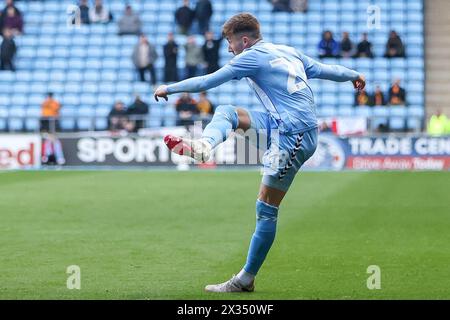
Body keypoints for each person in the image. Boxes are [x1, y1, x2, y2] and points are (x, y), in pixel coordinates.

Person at [154, 13, 365, 293]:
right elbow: (326, 69)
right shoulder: (287, 51)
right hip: (279, 126)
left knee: (266, 209)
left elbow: (208, 81)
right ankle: (204, 146)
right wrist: (354, 75)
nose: (229, 48)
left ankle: (245, 279)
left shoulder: (250, 57)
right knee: (228, 112)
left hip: (293, 137)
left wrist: (170, 88)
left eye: (230, 42)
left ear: (243, 40)